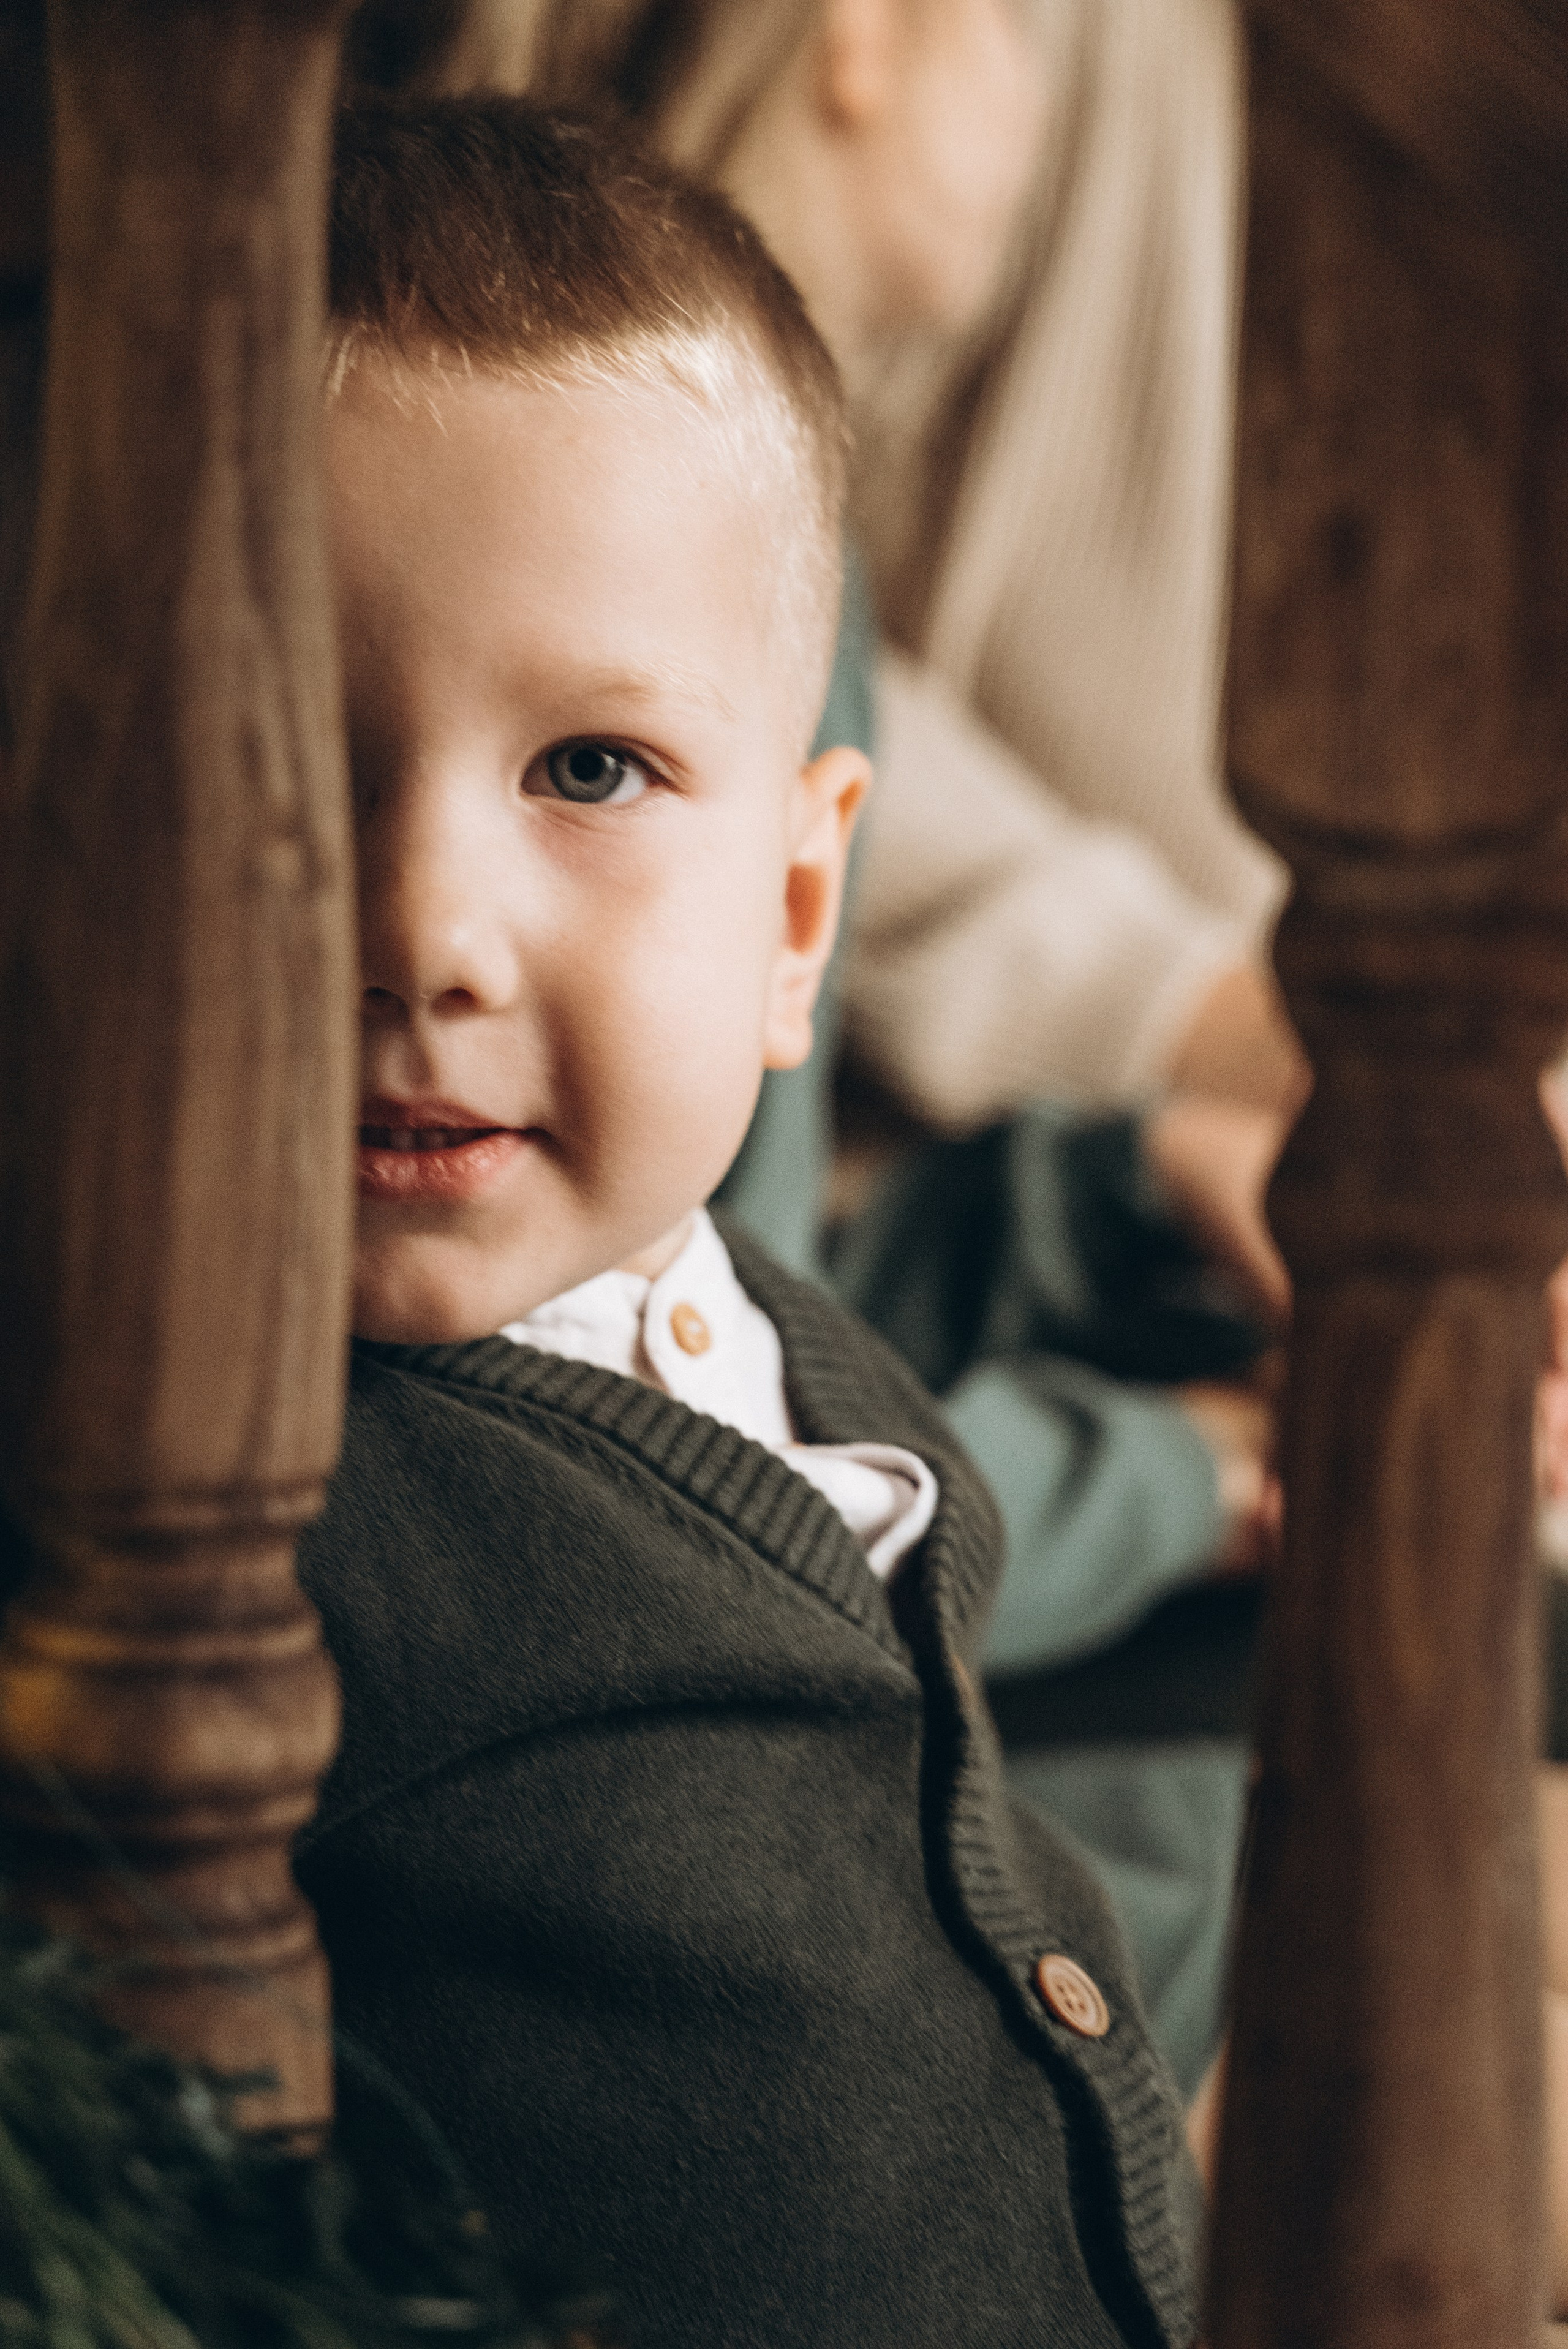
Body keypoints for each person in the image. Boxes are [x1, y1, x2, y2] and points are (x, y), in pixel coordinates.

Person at [292, 96, 1203, 2349]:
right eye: (294, 760)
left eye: (588, 768)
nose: (426, 927)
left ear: (800, 909)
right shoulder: (241, 1501)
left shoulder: (758, 1322)